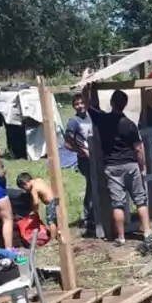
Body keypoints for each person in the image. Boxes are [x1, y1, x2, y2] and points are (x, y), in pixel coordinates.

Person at [79, 76, 152, 246]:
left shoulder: (103, 120)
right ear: (125, 104)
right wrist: (141, 165)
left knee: (118, 204)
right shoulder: (130, 125)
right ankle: (147, 231)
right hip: (130, 164)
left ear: (111, 102)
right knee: (140, 199)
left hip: (111, 166)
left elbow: (88, 105)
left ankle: (121, 237)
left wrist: (85, 88)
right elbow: (139, 148)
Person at [63, 92, 96, 233]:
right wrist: (81, 151)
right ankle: (88, 216)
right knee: (91, 185)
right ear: (73, 106)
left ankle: (97, 213)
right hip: (85, 160)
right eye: (77, 104)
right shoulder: (73, 122)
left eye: (82, 102)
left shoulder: (92, 117)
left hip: (97, 156)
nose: (80, 106)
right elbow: (67, 144)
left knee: (97, 185)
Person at [16, 172, 59, 242]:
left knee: (51, 221)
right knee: (56, 219)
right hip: (55, 199)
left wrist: (34, 210)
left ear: (25, 184)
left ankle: (53, 238)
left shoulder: (34, 189)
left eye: (24, 188)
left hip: (50, 203)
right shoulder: (39, 180)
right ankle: (59, 233)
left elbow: (36, 202)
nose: (26, 190)